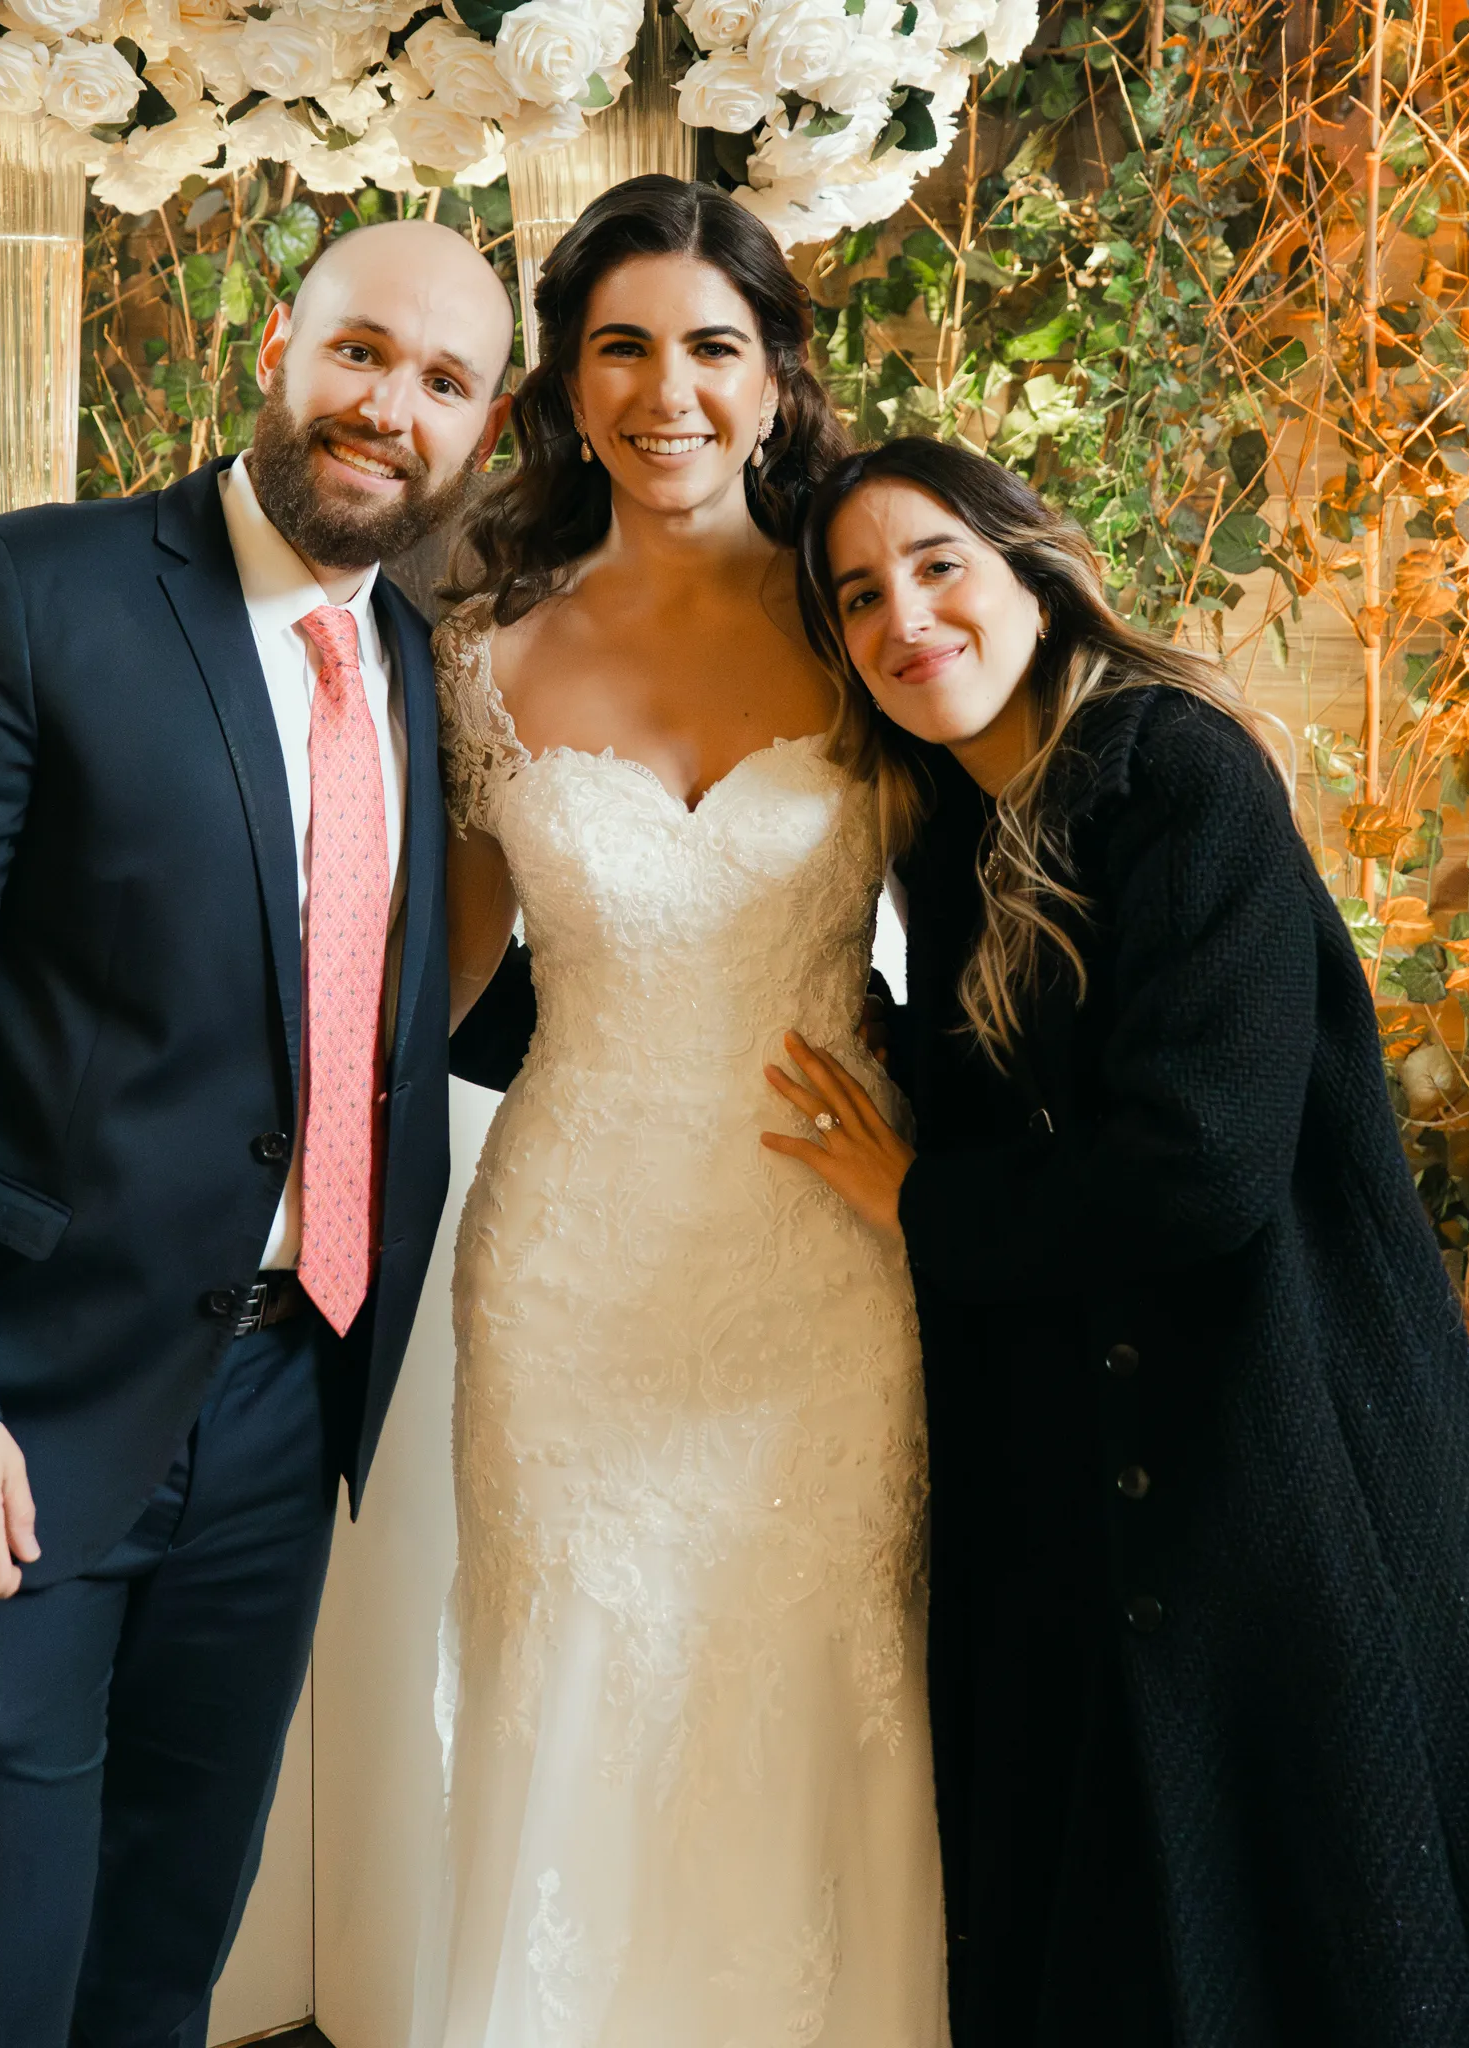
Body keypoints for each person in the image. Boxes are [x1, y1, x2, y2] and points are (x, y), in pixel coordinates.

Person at [0, 218, 516, 2048]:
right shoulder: (25, 590)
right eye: (362, 351)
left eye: (442, 382)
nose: (387, 408)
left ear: (482, 429)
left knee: (153, 1976)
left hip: (273, 1413)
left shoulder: (410, 663)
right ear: (280, 347)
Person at [768, 432, 1469, 2048]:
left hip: (1279, 1439)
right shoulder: (949, 834)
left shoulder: (1175, 773)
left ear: (1032, 567)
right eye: (858, 597)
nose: (906, 620)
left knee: (1336, 1930)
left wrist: (917, 1200)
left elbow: (1200, 1161)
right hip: (1098, 1463)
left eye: (940, 564)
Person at [414, 174, 945, 2048]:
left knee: (815, 1680)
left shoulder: (872, 618)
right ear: (564, 381)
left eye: (711, 345)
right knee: (582, 1696)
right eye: (621, 346)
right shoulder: (487, 655)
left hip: (822, 1262)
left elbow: (1003, 902)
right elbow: (433, 990)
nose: (667, 391)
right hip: (569, 1280)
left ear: (776, 374)